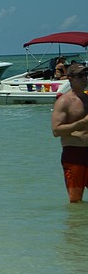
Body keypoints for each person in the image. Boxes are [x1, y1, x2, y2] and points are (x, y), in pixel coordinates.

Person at [51, 63, 88, 202]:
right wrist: (82, 123)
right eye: (80, 76)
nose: (85, 78)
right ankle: (76, 223)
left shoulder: (87, 98)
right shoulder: (64, 102)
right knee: (76, 201)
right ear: (70, 79)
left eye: (86, 75)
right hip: (74, 153)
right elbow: (56, 130)